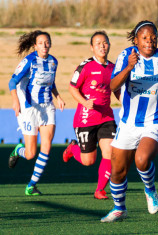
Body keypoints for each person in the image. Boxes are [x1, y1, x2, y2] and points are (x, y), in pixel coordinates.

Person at [100, 20, 158, 222]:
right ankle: (119, 209)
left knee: (141, 159)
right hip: (128, 123)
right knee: (116, 171)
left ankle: (150, 190)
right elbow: (112, 85)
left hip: (155, 121)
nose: (150, 42)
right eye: (145, 38)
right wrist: (128, 68)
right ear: (136, 40)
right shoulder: (126, 56)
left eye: (153, 38)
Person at [8, 30, 65, 195]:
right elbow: (13, 81)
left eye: (47, 42)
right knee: (30, 153)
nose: (45, 45)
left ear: (50, 44)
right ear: (35, 45)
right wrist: (15, 101)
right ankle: (19, 150)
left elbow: (51, 83)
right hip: (30, 107)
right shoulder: (30, 60)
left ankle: (31, 185)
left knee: (46, 147)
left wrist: (58, 97)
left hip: (47, 106)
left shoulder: (54, 61)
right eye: (41, 43)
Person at [62, 31, 118, 200]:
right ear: (92, 47)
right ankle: (73, 148)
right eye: (98, 43)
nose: (102, 46)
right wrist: (85, 102)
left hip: (106, 118)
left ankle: (100, 189)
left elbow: (117, 89)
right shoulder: (85, 66)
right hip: (85, 119)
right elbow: (72, 87)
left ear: (109, 44)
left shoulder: (113, 68)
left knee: (110, 153)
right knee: (89, 161)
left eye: (105, 42)